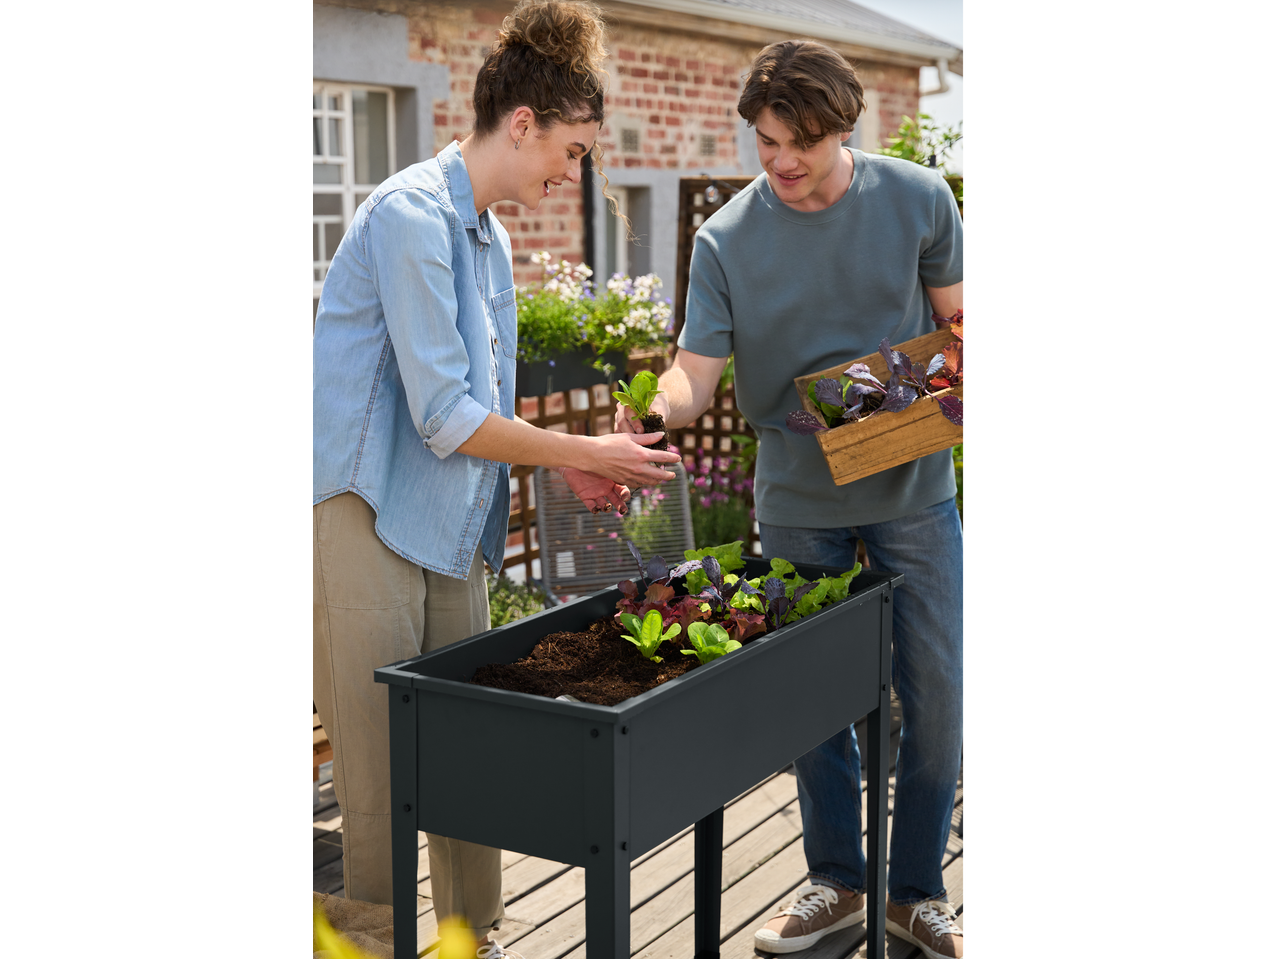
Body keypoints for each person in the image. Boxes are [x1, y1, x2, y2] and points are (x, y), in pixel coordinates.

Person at [313, 3, 681, 957]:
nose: (575, 171)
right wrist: (583, 453)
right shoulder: (409, 216)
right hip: (366, 512)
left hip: (447, 520)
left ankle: (472, 940)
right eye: (571, 148)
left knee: (468, 746)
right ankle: (377, 941)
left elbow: (486, 414)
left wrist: (581, 472)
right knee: (383, 762)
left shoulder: (492, 237)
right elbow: (441, 416)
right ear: (522, 123)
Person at [615, 40, 964, 959]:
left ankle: (916, 891)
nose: (781, 162)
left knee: (935, 695)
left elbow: (958, 321)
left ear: (843, 126)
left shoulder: (920, 199)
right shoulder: (724, 239)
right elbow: (696, 376)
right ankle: (838, 882)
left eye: (800, 142)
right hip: (797, 500)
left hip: (914, 486)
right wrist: (658, 407)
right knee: (815, 701)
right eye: (766, 141)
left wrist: (933, 374)